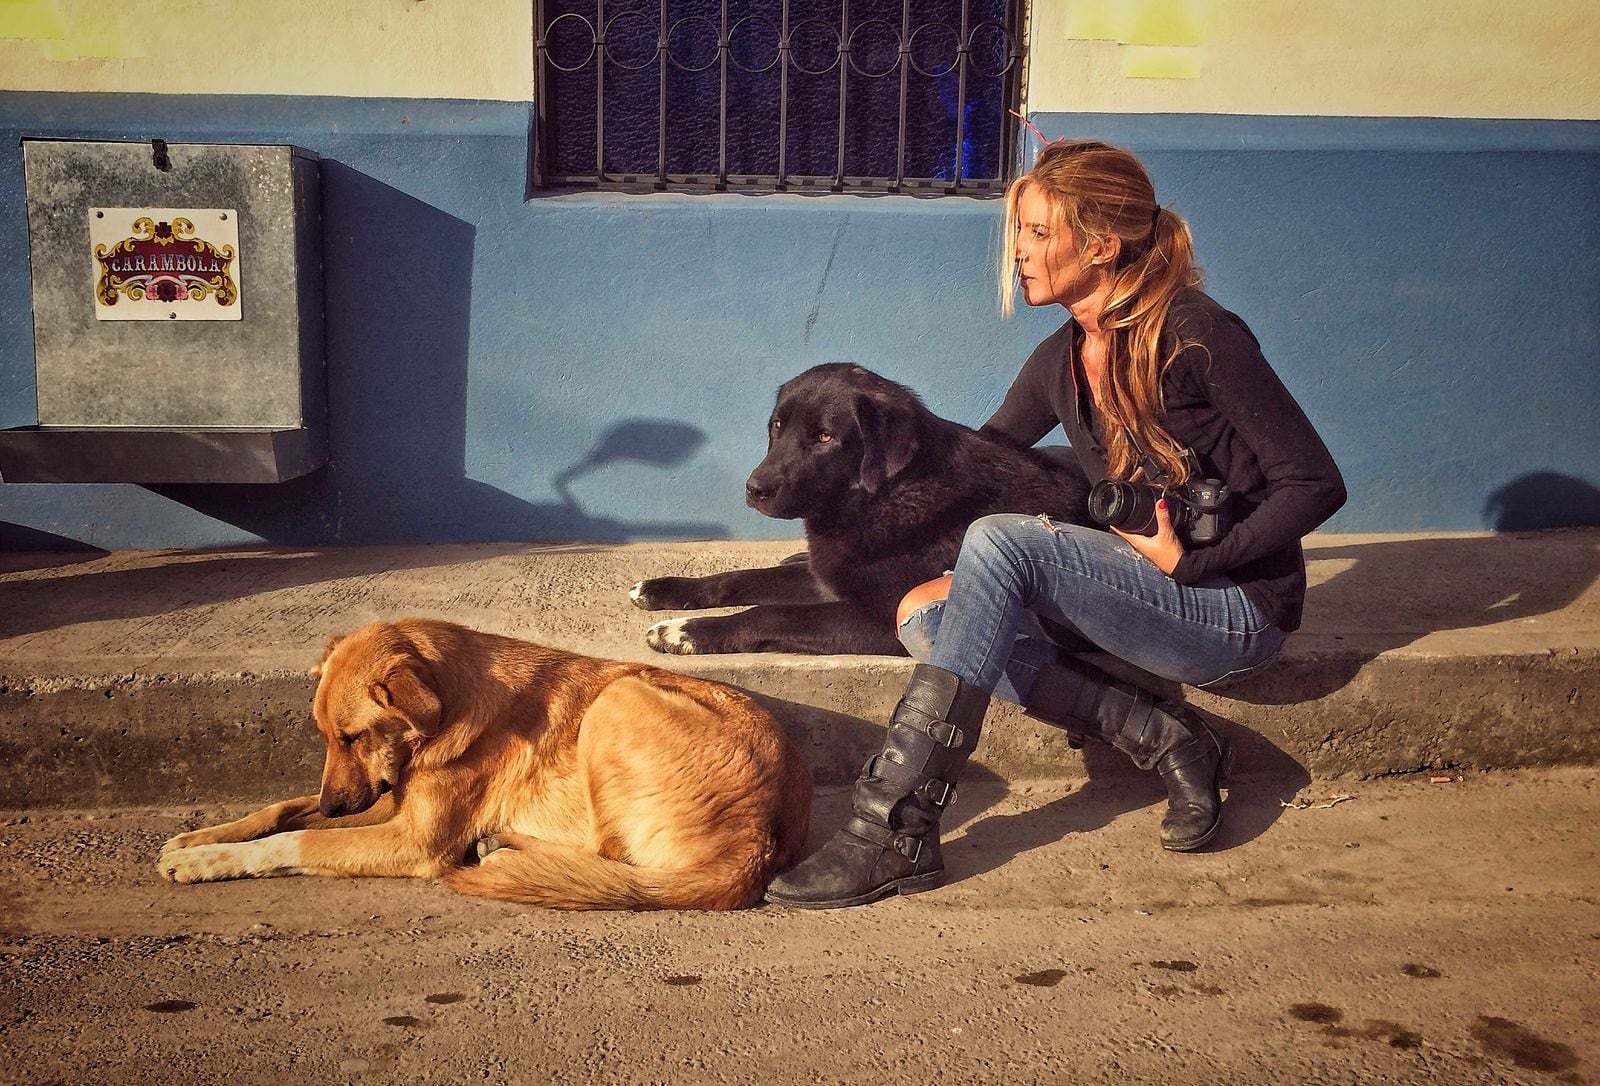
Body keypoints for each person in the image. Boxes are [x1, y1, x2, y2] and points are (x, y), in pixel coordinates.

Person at [765, 139, 1347, 910]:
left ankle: (893, 829)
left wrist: (1198, 561)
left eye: (1039, 232)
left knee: (1000, 541)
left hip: (1232, 609)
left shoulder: (1199, 336)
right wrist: (857, 470)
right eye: (1021, 231)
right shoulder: (1059, 359)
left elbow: (1315, 482)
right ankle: (1166, 737)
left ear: (1100, 245)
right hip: (1138, 594)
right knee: (923, 616)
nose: (1019, 250)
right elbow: (968, 471)